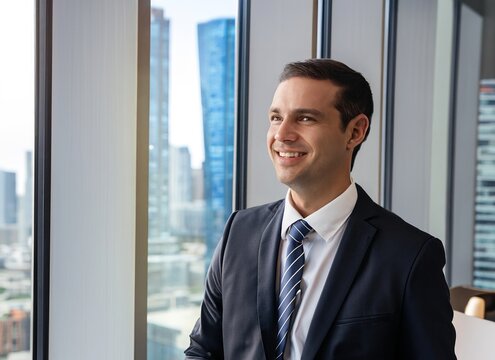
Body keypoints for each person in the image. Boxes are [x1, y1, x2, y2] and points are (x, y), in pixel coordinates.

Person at [185, 59, 456, 359]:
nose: (282, 134)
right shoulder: (238, 231)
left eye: (305, 119)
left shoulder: (409, 257)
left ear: (355, 132)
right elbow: (204, 350)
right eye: (276, 117)